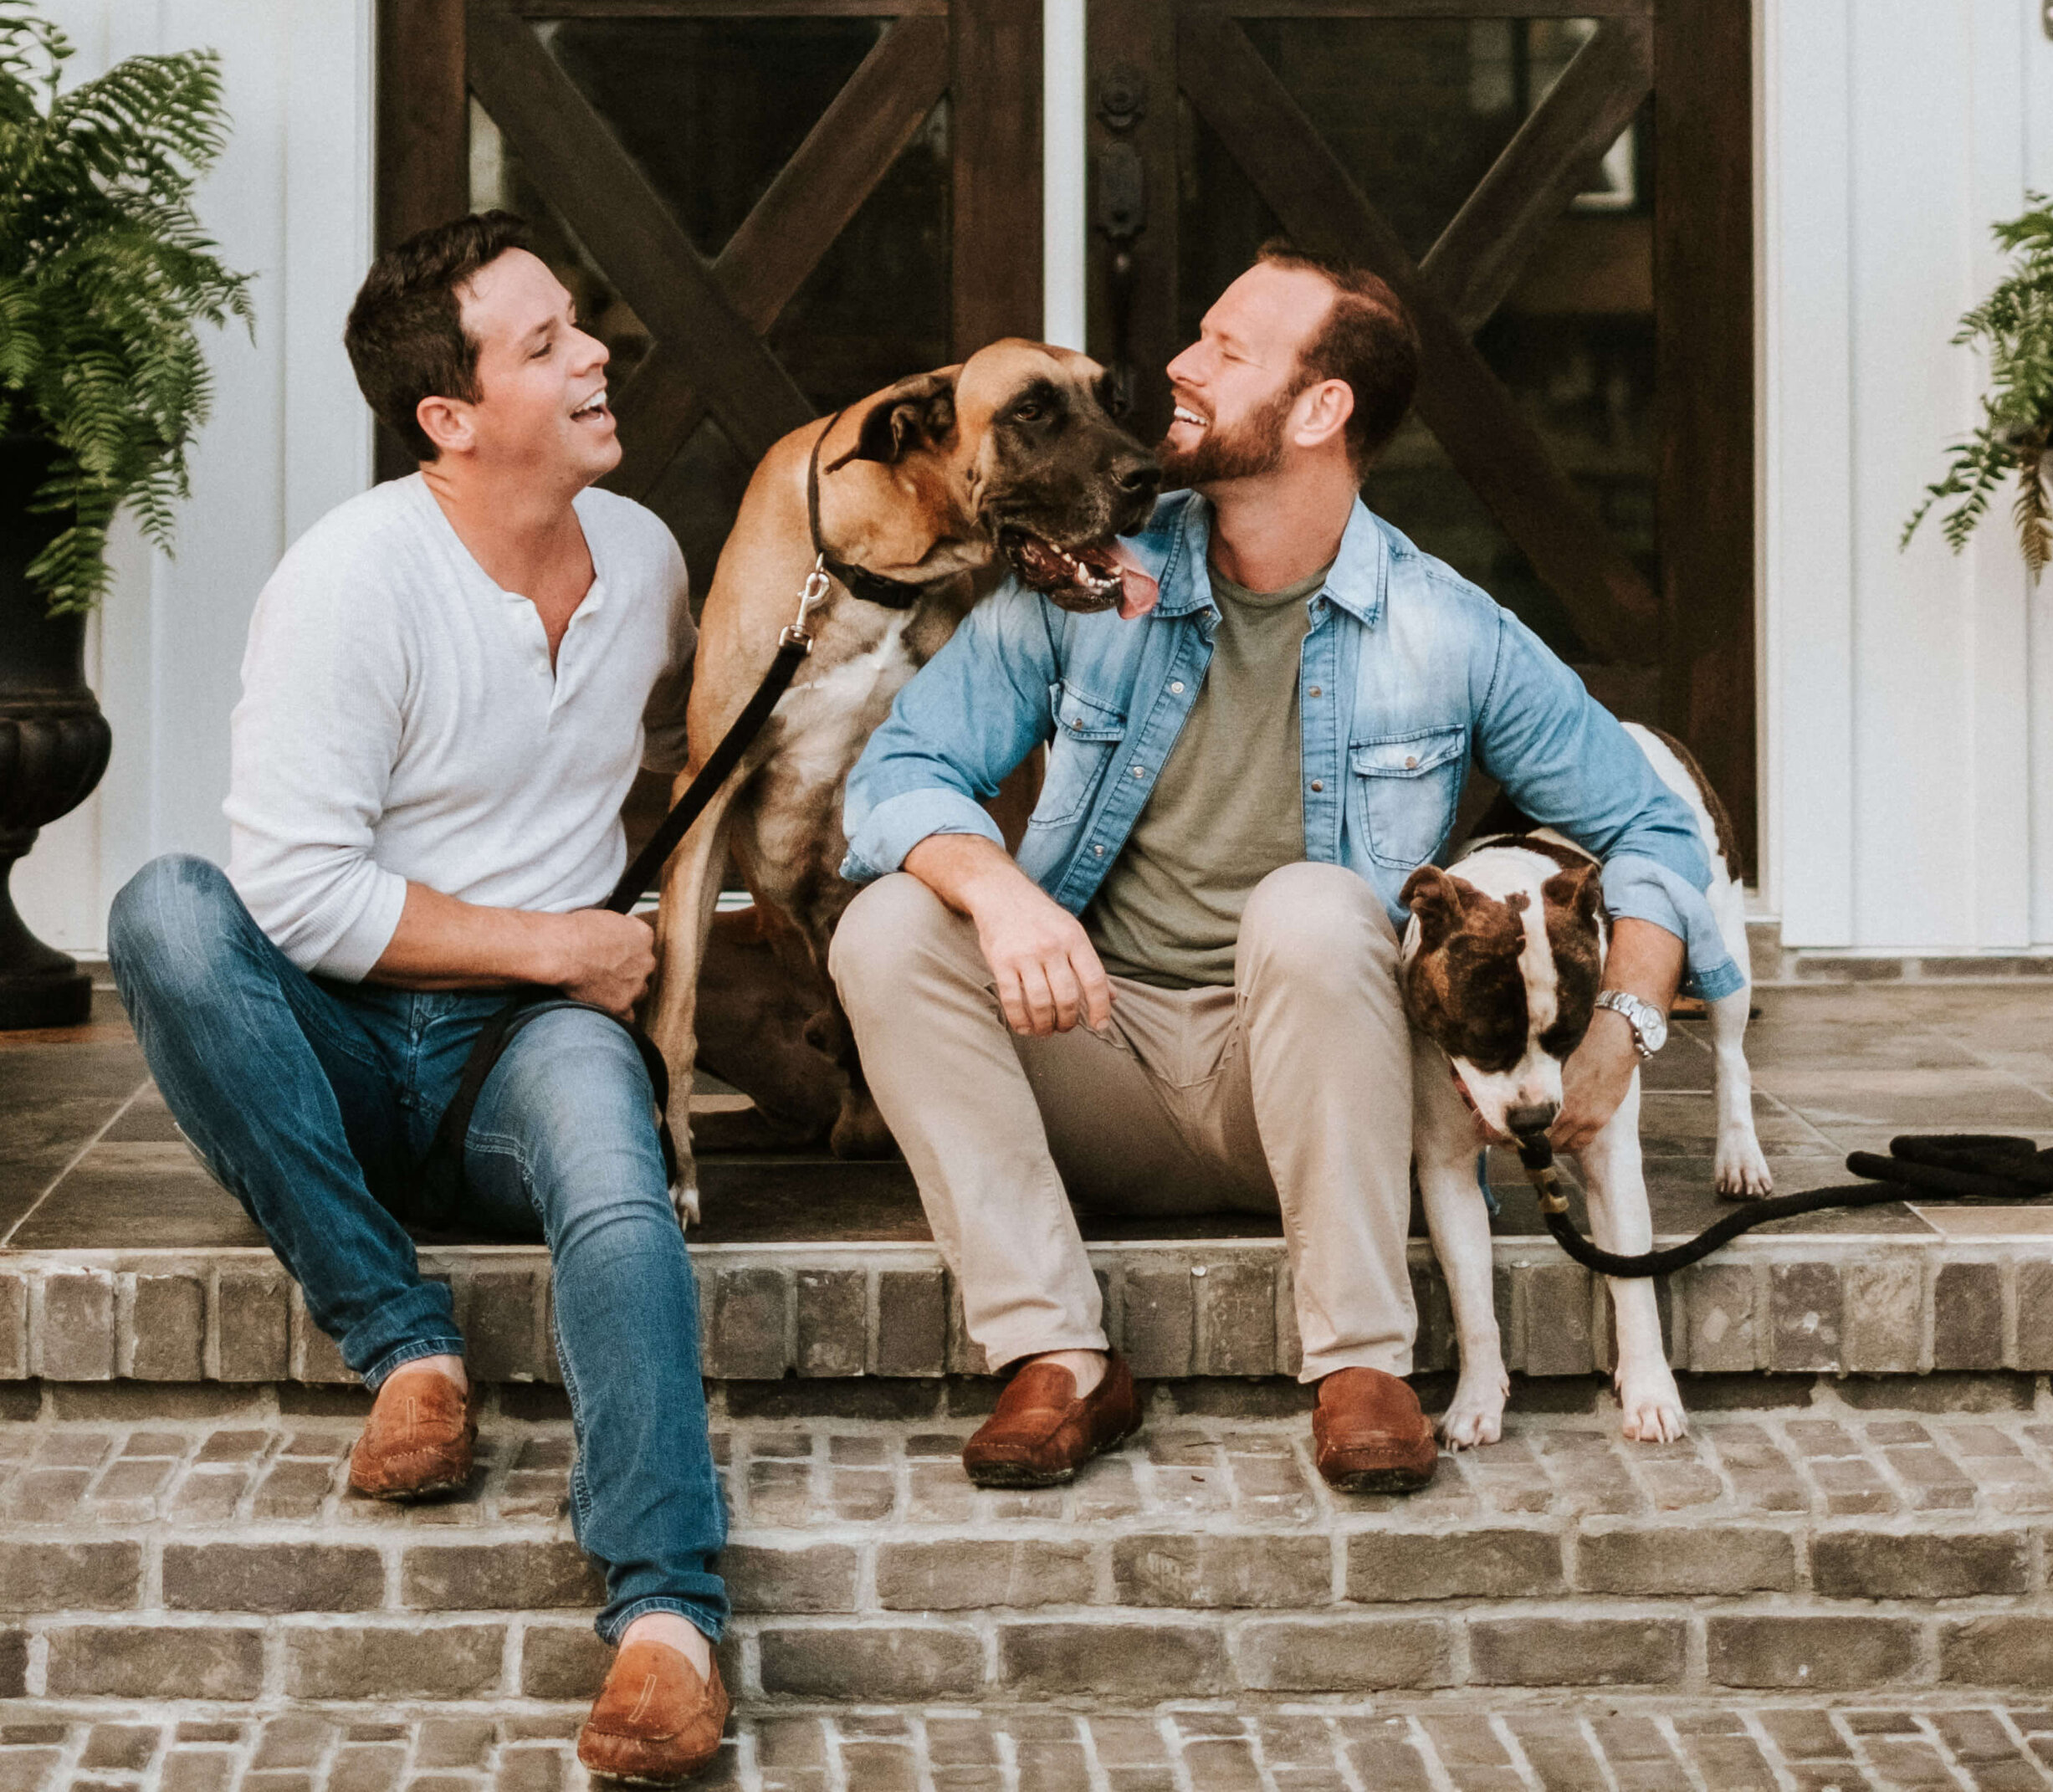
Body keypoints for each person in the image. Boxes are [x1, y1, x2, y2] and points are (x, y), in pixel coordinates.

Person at [830, 239, 1738, 1497]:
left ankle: (1362, 1358)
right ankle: (1057, 1353)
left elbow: (1655, 831)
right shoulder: (1090, 582)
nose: (1179, 369)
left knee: (1316, 909)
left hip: (1311, 1086)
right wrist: (1000, 892)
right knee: (886, 924)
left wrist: (1626, 1020)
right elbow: (893, 776)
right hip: (1097, 1052)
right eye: (1197, 337)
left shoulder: (1447, 628)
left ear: (1321, 410)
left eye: (1226, 351)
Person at [107, 214, 730, 1784]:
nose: (594, 353)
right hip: (348, 1042)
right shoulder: (351, 582)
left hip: (537, 1053)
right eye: (544, 344)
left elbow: (708, 764)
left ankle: (668, 1617)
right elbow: (301, 893)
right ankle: (406, 1344)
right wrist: (559, 943)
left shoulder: (647, 558)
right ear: (449, 417)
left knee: (619, 1177)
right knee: (166, 912)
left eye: (578, 323)